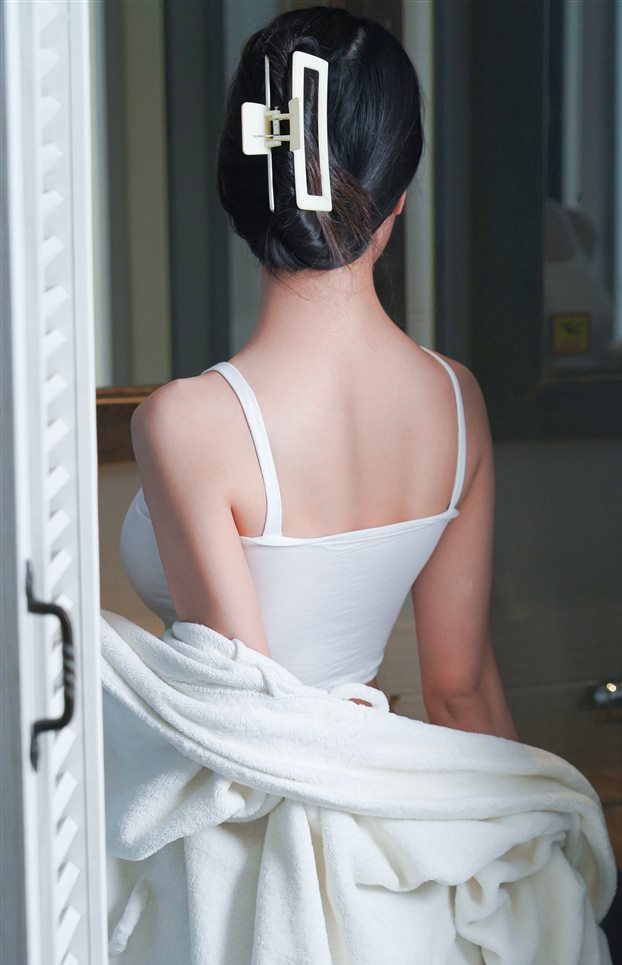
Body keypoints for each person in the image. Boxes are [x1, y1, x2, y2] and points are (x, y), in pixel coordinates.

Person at [120, 3, 519, 743]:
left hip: (252, 807)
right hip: (379, 798)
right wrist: (533, 807)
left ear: (240, 181)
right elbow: (462, 695)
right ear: (399, 191)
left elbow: (251, 722)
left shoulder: (186, 422)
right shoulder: (457, 401)